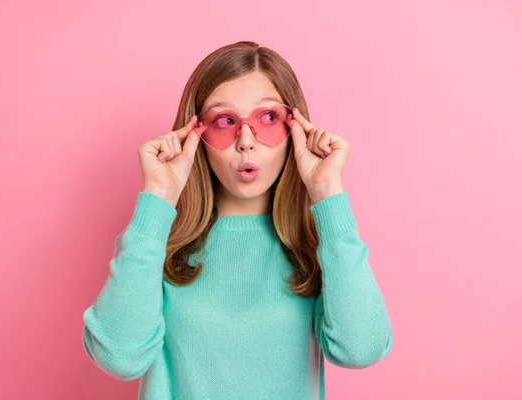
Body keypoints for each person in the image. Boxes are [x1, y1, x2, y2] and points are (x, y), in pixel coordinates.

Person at [82, 40, 393, 400]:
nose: (246, 140)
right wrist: (157, 199)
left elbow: (360, 350)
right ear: (196, 132)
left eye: (268, 118)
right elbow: (119, 357)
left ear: (296, 128)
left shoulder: (320, 248)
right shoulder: (154, 243)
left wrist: (327, 192)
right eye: (225, 121)